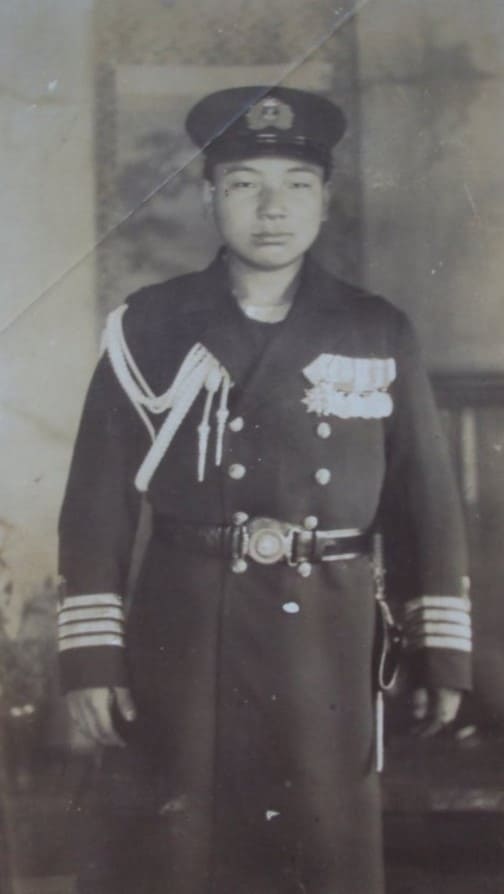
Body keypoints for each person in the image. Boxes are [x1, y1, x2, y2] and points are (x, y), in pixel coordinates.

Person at [57, 86, 472, 894]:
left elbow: (426, 503)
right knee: (178, 860)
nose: (271, 208)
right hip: (184, 635)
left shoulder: (375, 328)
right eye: (246, 183)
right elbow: (96, 503)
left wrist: (442, 654)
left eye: (296, 185)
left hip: (333, 640)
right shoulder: (149, 325)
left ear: (326, 201)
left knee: (320, 856)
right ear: (210, 196)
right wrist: (91, 659)